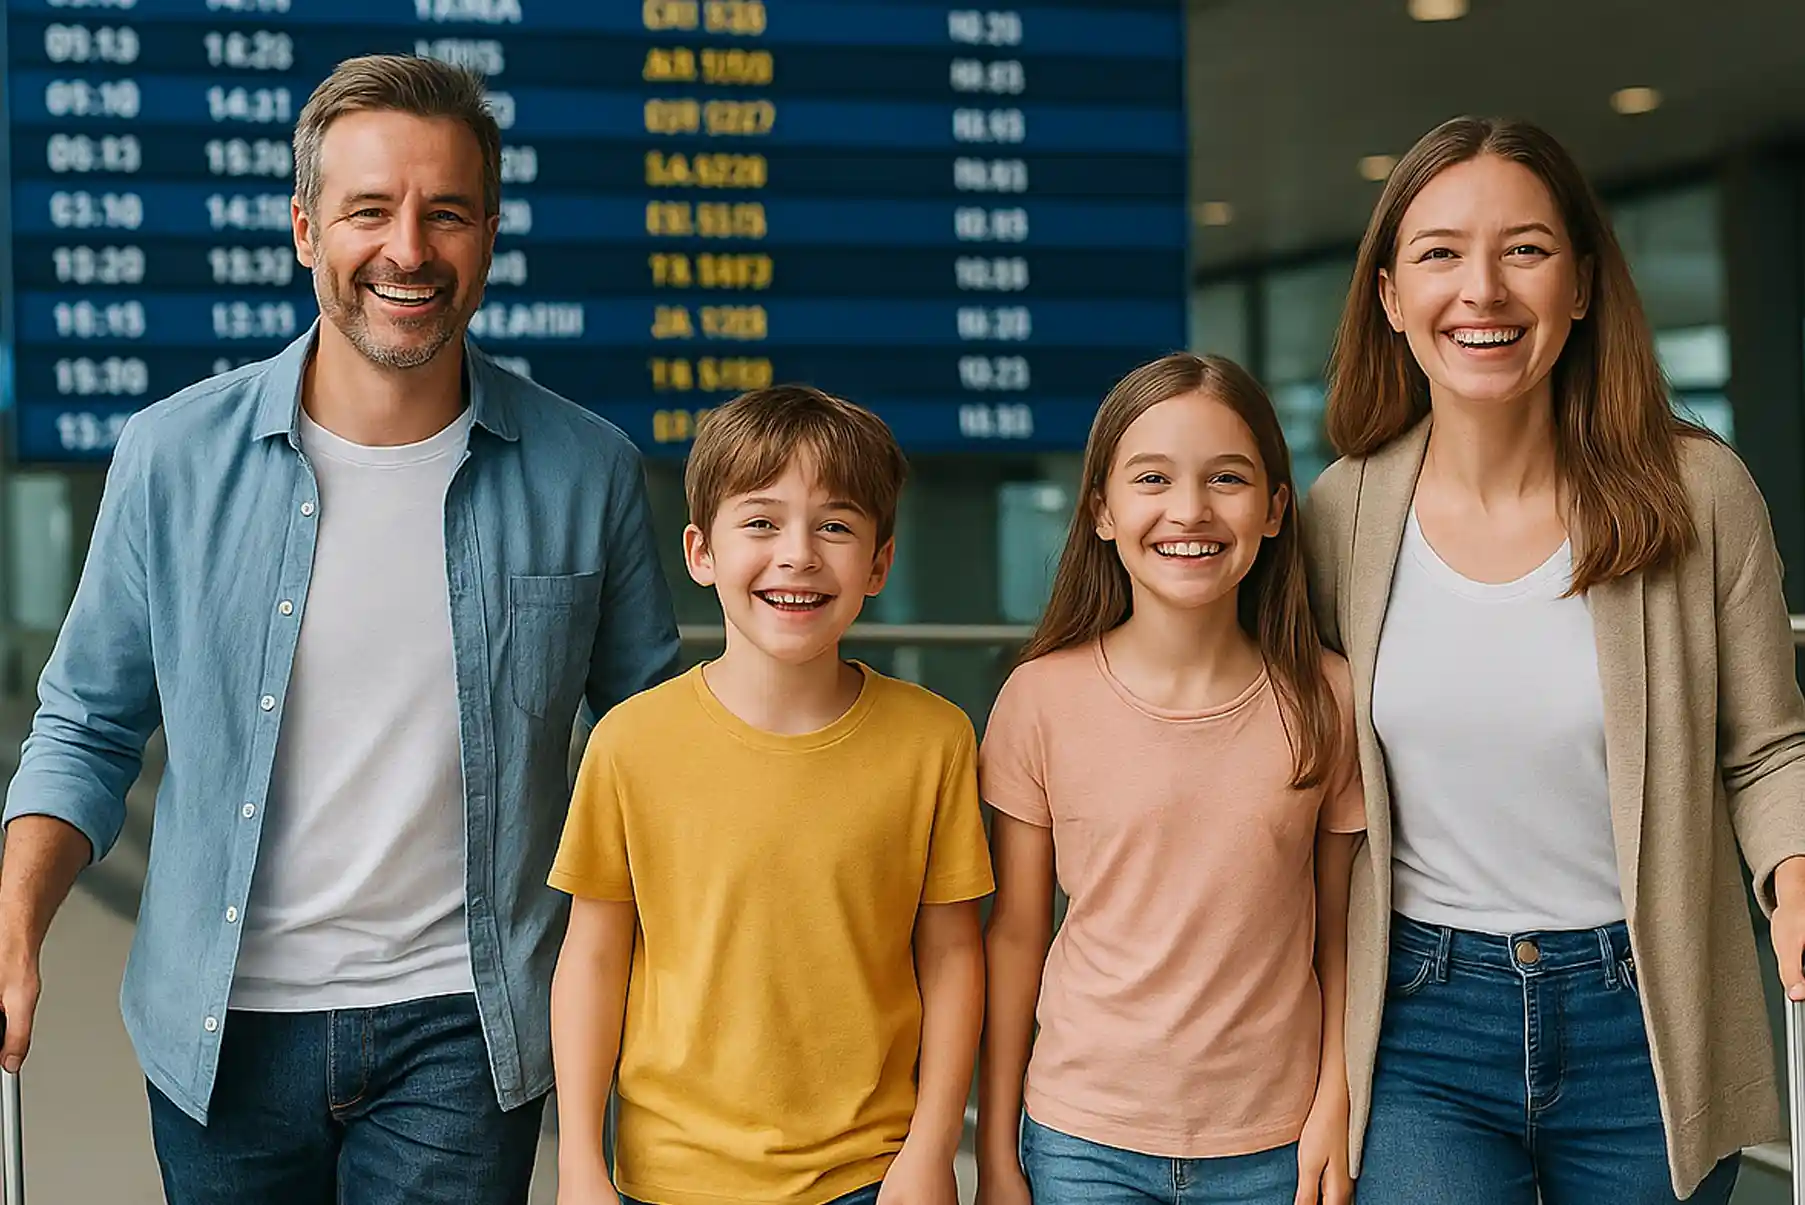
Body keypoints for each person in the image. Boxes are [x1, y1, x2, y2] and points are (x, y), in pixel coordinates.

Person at [0, 54, 680, 1205]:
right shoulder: (172, 457)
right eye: (370, 209)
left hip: (467, 1029)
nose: (407, 249)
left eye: (445, 212)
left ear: (489, 233)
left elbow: (658, 750)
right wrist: (16, 931)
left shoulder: (588, 470)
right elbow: (85, 724)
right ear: (308, 229)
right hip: (219, 1031)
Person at [1303, 115, 1805, 1205]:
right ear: (1388, 296)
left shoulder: (1695, 492)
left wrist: (1793, 873)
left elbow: (1765, 747)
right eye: (1438, 252)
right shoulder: (1336, 516)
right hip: (1419, 1019)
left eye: (1522, 248)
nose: (1480, 289)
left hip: (1649, 1011)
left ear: (1579, 282)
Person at [547, 385, 994, 1205]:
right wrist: (579, 1157)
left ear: (880, 562)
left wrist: (931, 1149)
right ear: (700, 551)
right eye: (761, 522)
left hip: (868, 1172)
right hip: (670, 1175)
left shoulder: (936, 740)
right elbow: (594, 957)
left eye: (835, 525)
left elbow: (953, 954)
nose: (798, 553)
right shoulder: (630, 742)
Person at [976, 352, 1364, 1205]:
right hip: (1083, 1140)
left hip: (1276, 1142)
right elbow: (1015, 936)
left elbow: (1342, 935)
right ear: (1102, 512)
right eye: (1151, 478)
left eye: (1226, 478)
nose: (1188, 510)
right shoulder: (1038, 699)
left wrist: (1336, 1098)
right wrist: (998, 1150)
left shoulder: (1329, 696)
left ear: (1274, 510)